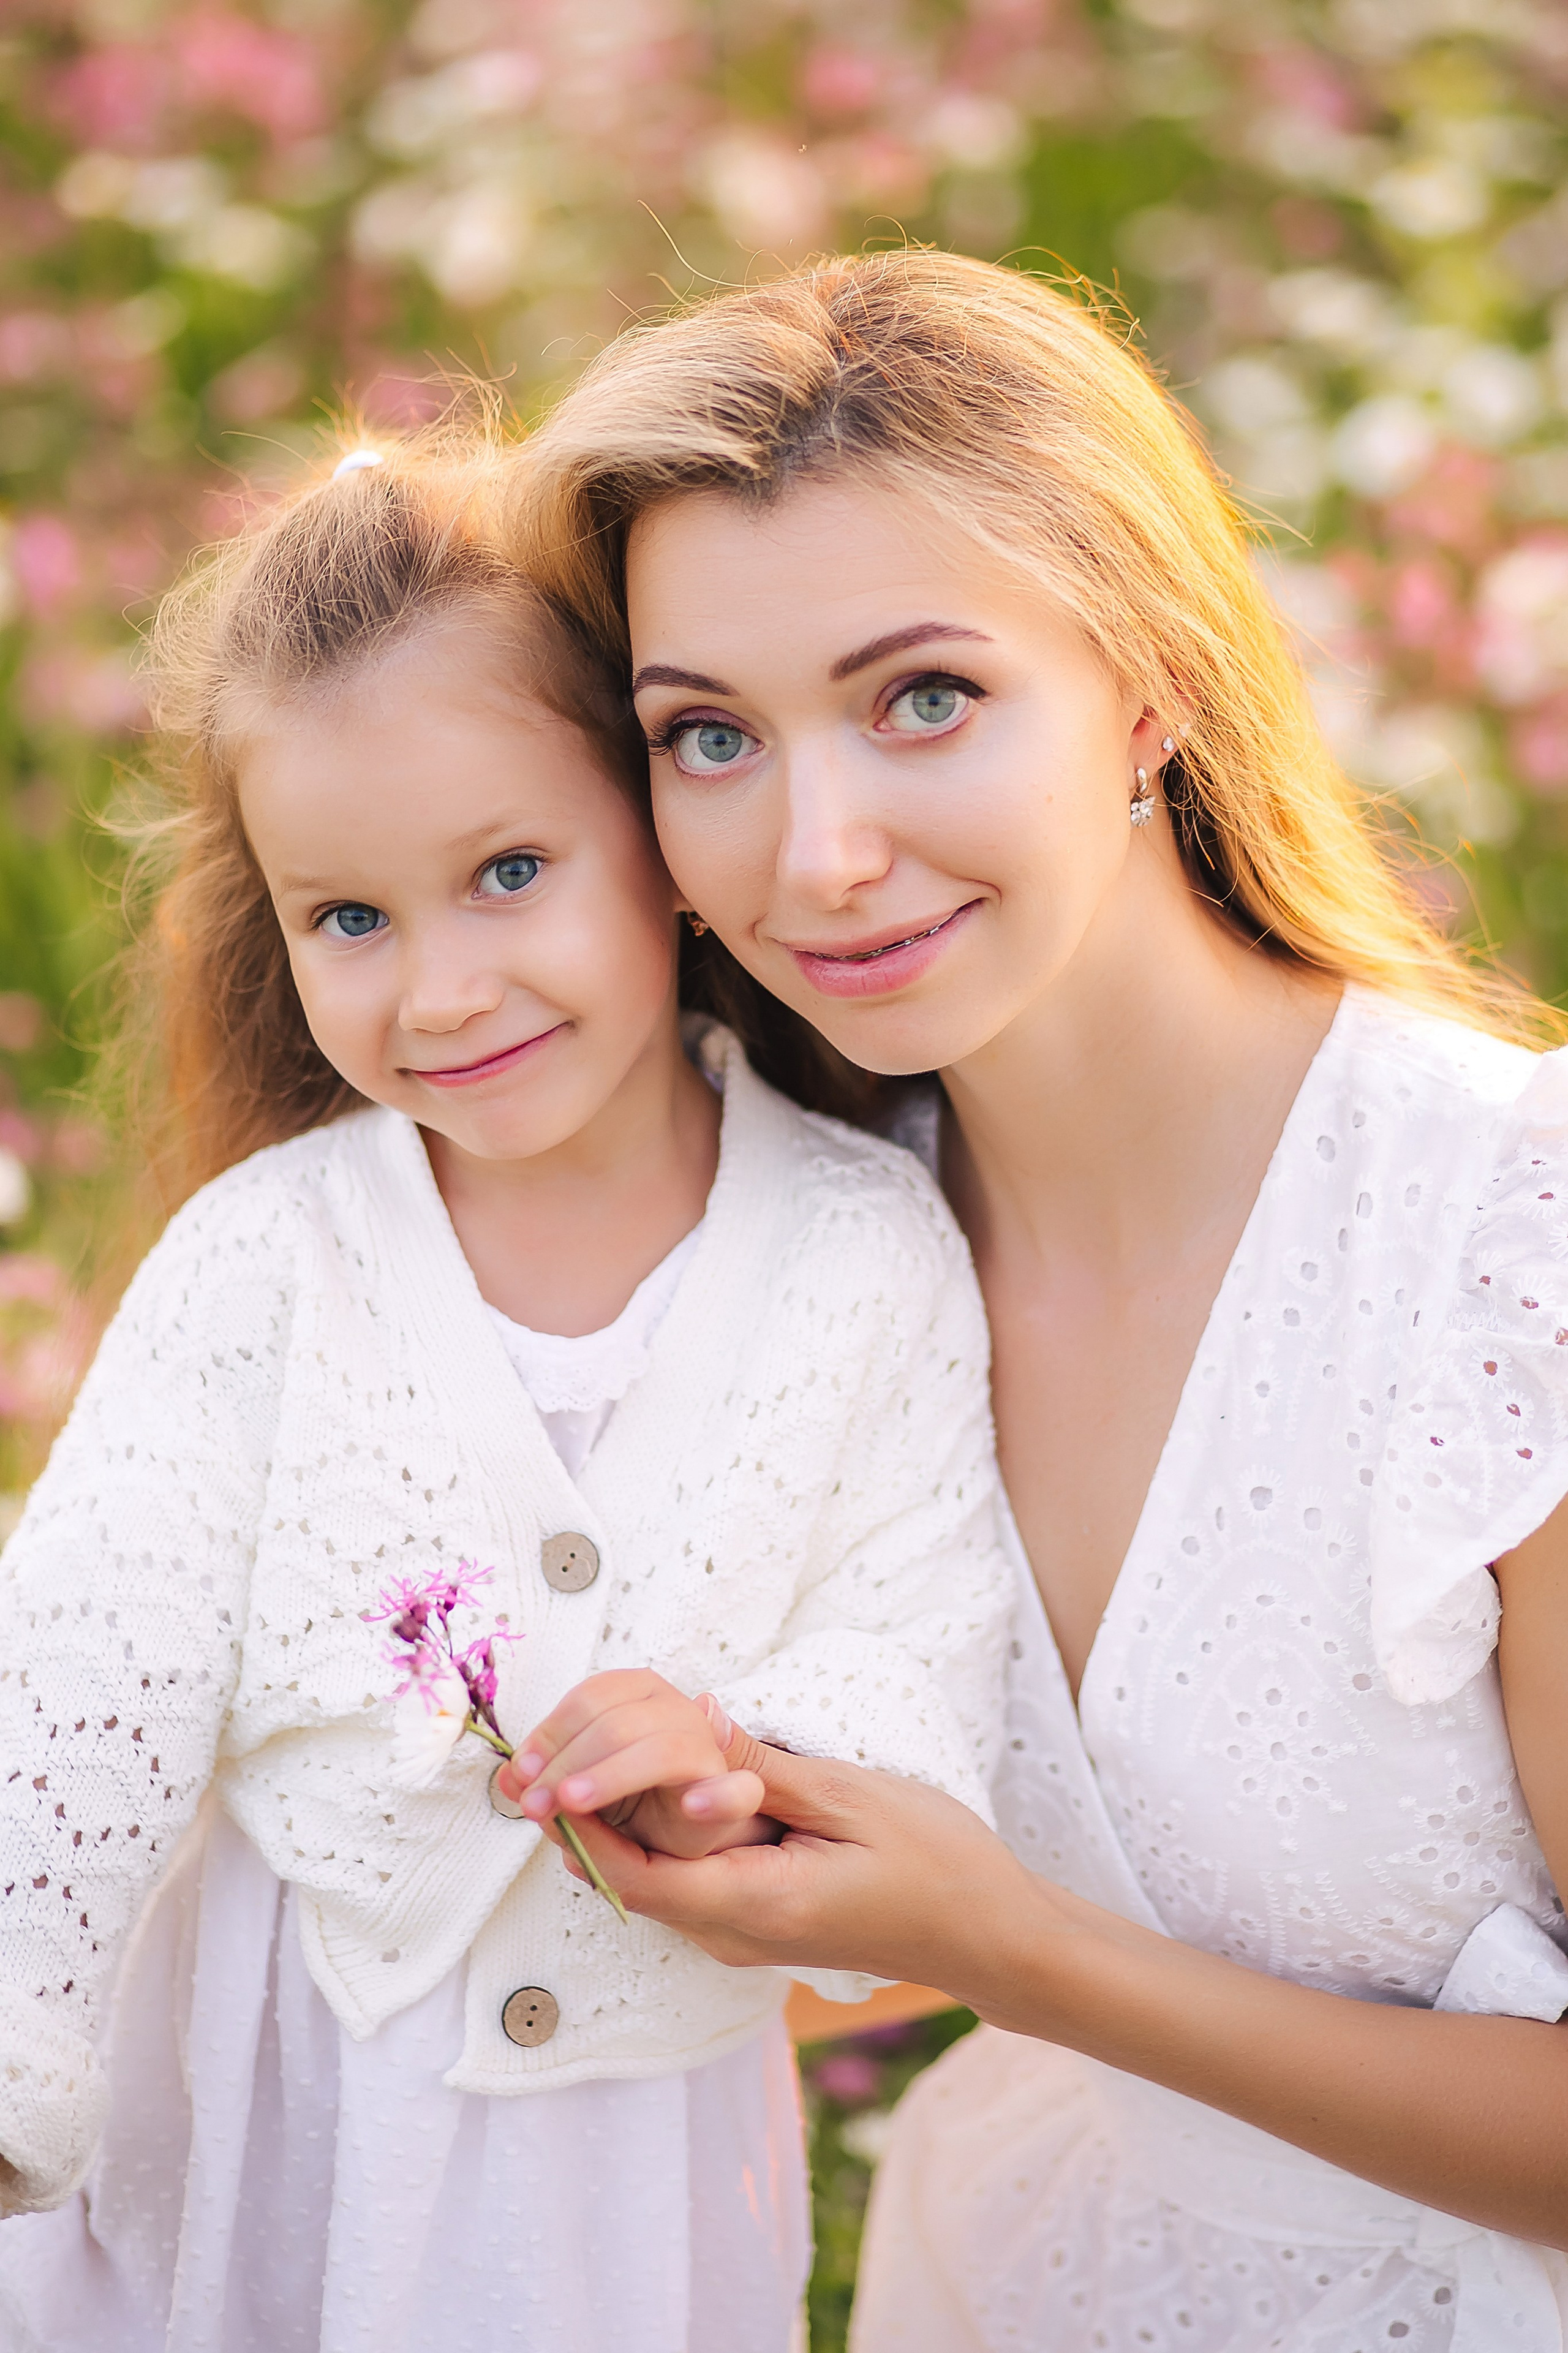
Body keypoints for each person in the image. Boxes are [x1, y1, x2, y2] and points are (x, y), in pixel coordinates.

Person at [513, 247, 1568, 2347]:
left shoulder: (1504, 1243)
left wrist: (1011, 1949)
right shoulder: (792, 1241)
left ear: (1150, 685)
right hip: (1039, 2281)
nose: (818, 854)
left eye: (926, 697)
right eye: (707, 733)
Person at [0, 431, 1016, 2353]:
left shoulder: (869, 1254)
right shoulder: (268, 1259)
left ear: (666, 836)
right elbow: (81, 1665)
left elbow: (922, 1632)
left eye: (510, 873)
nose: (443, 990)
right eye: (351, 920)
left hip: (623, 2172)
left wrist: (749, 1749)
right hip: (281, 2114)